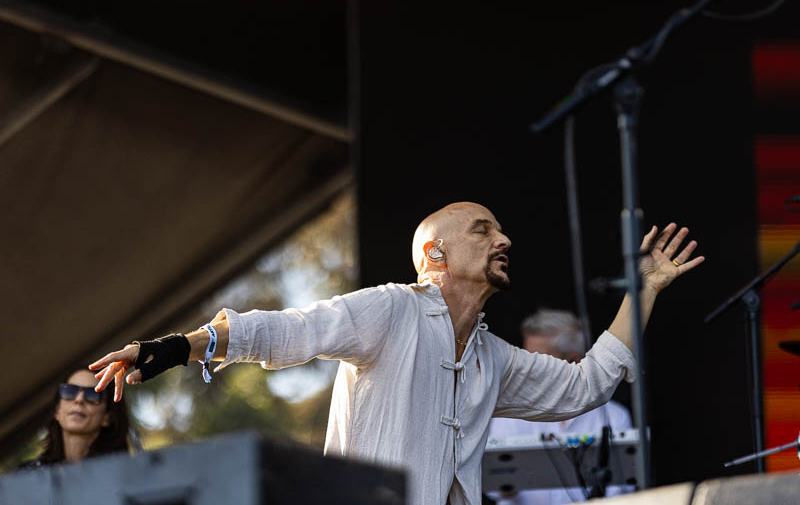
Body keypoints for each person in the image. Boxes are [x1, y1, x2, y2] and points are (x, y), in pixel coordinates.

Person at [90, 202, 703, 505]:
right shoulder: (391, 309)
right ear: (435, 255)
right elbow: (284, 330)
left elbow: (587, 385)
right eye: (483, 229)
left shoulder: (493, 358)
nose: (503, 238)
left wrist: (644, 289)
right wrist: (173, 348)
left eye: (498, 229)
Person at [486, 309, 635, 504]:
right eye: (524, 358)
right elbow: (495, 488)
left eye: (535, 360)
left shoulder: (615, 417)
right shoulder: (508, 413)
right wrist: (504, 484)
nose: (525, 368)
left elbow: (620, 493)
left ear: (573, 360)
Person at [23, 368, 131, 468]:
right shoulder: (28, 472)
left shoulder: (122, 473)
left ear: (108, 417)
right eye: (69, 391)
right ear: (57, 410)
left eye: (92, 394)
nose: (79, 400)